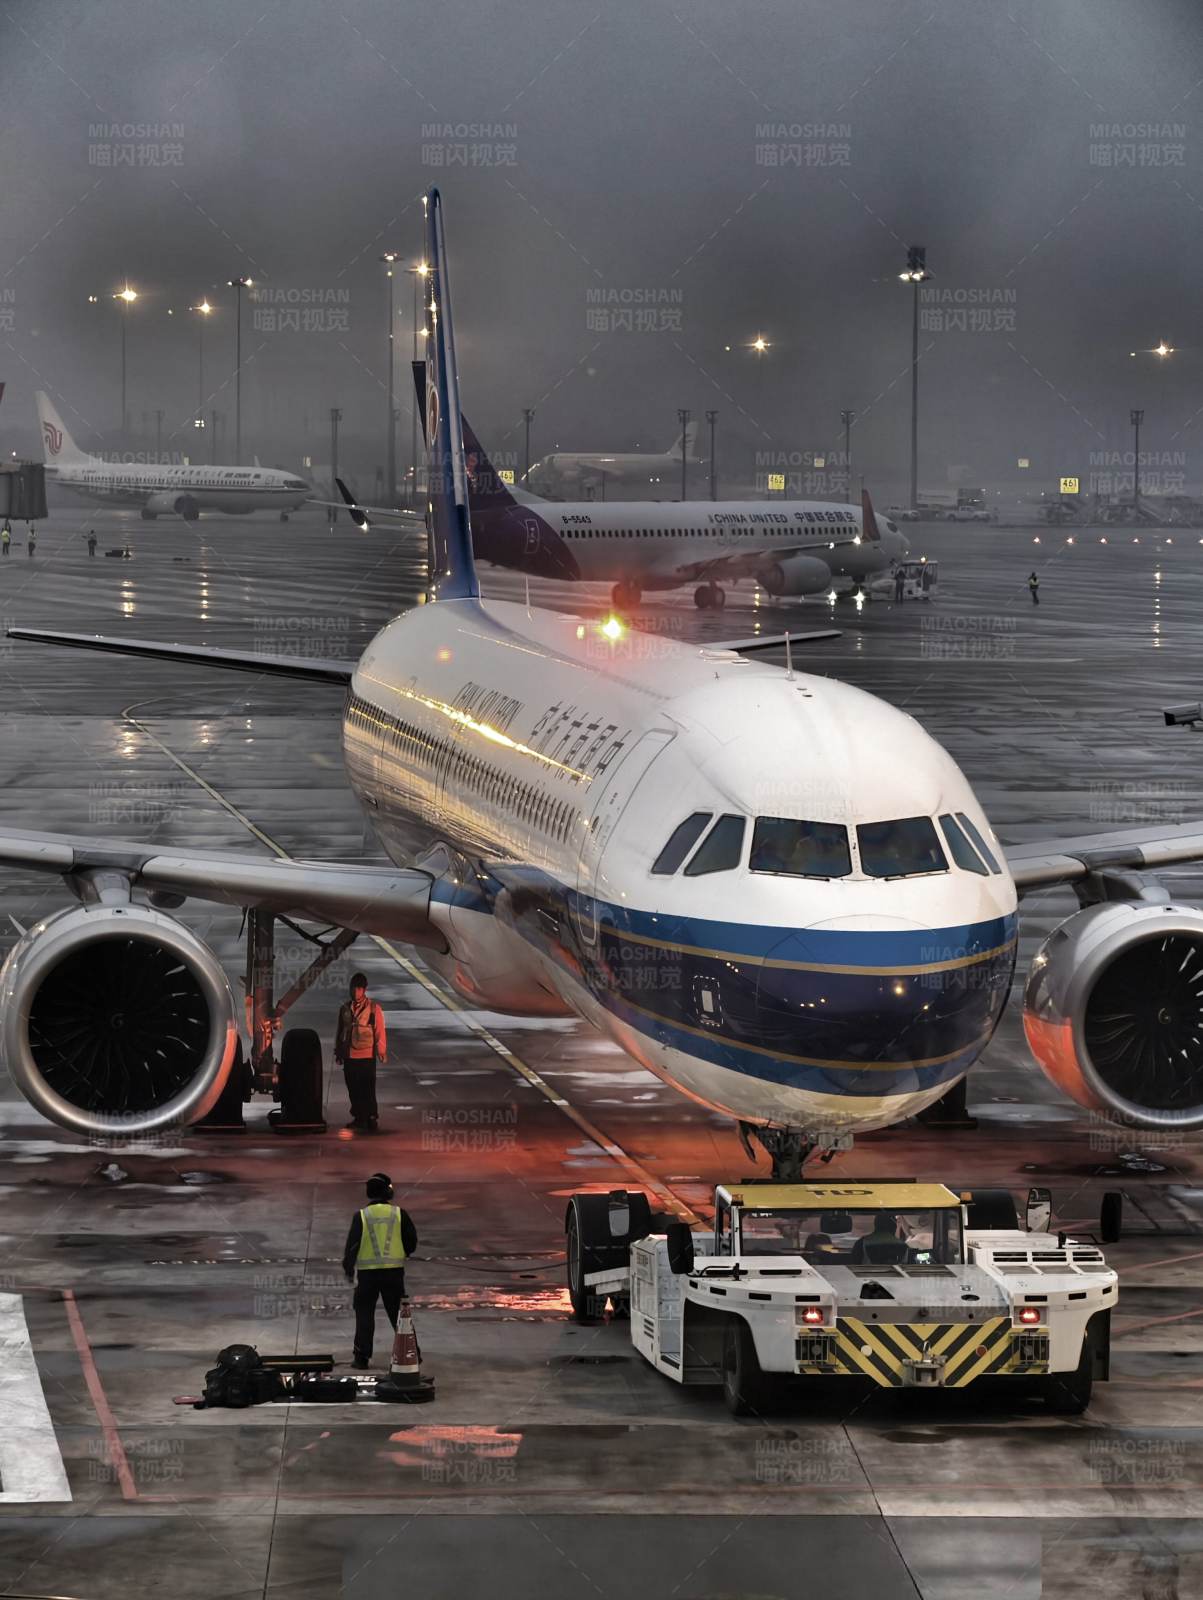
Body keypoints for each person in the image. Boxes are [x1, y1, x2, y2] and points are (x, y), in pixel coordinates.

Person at [342, 1172, 418, 1369]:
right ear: (387, 1191)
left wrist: (348, 1268)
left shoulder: (361, 1216)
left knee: (364, 1315)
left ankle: (361, 1358)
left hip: (367, 1275)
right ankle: (412, 1353)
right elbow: (411, 1241)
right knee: (399, 1316)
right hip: (393, 1273)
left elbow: (352, 1245)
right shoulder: (399, 1214)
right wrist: (404, 1252)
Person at [335, 971, 386, 1130]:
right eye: (353, 988)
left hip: (366, 1055)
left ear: (364, 990)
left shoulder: (374, 1009)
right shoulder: (345, 1008)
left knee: (368, 1088)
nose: (355, 992)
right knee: (353, 1087)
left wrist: (381, 1051)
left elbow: (380, 1031)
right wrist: (339, 1052)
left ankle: (371, 1117)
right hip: (350, 1054)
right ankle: (359, 1116)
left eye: (358, 989)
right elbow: (340, 1031)